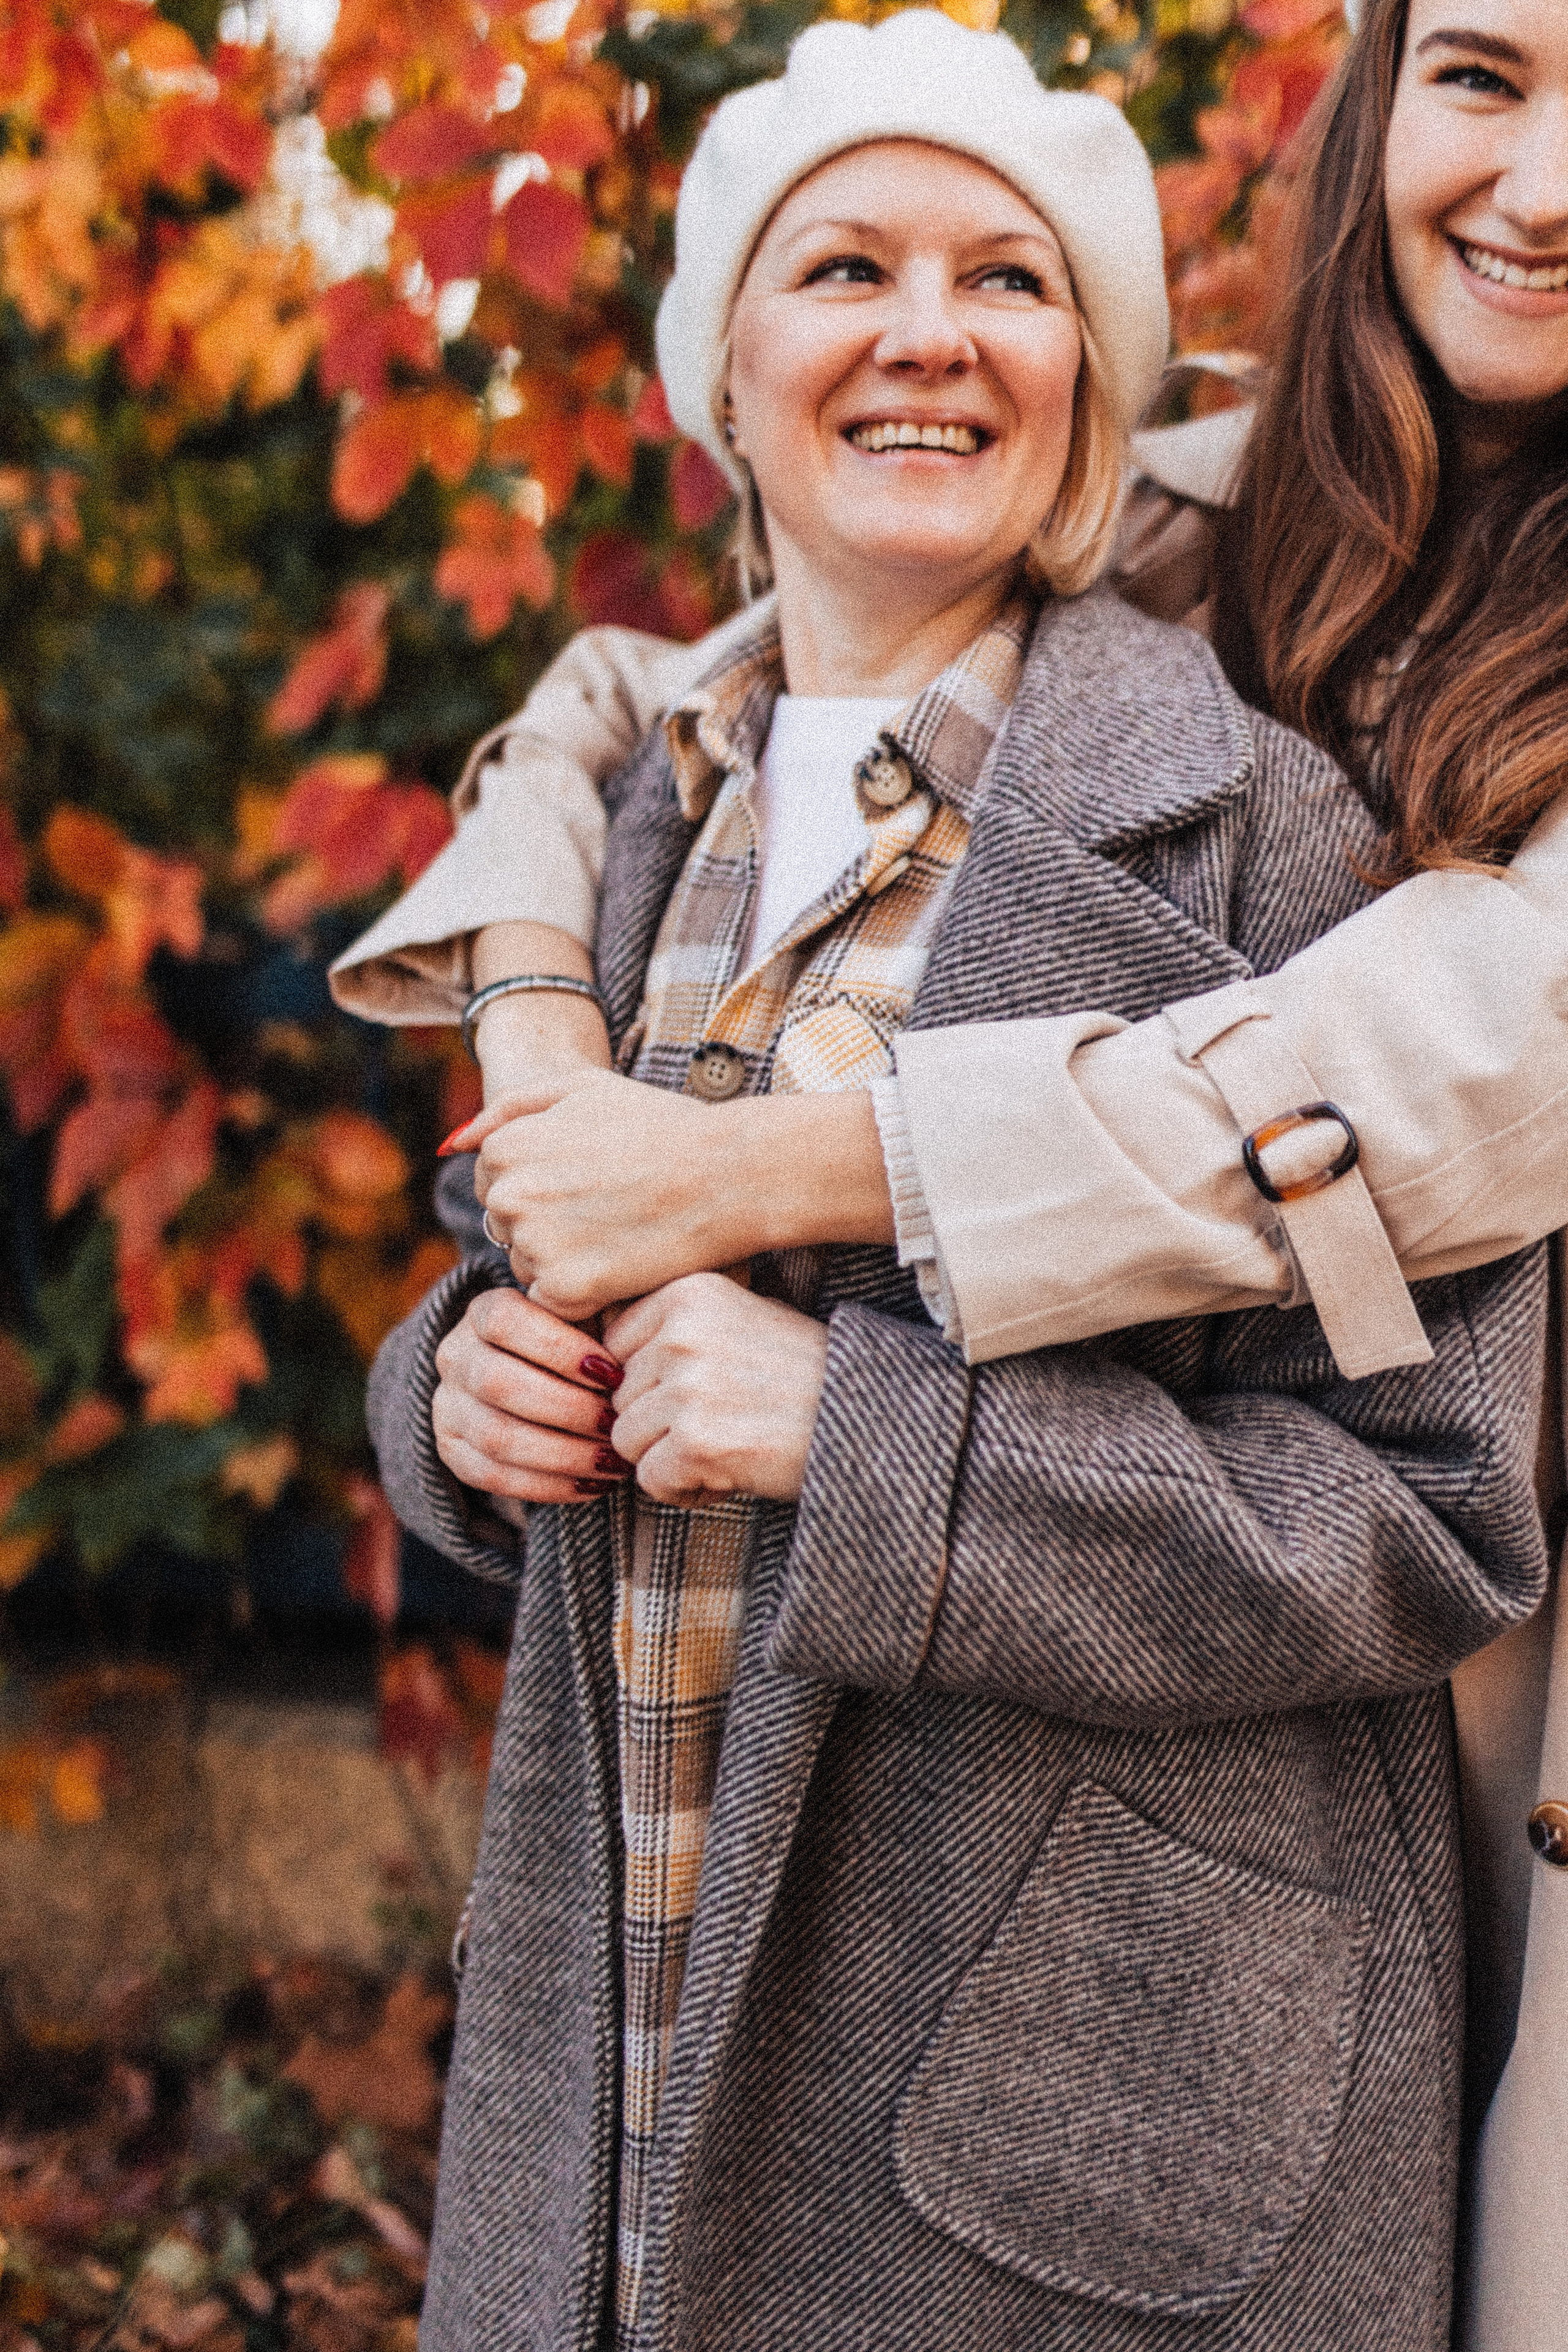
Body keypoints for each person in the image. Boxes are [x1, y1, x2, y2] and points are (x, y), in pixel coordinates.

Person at [338, 8, 1568, 2340]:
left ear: (1098, 399)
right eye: (842, 272)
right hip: (628, 2036)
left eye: (1012, 280)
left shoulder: (1275, 831)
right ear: (722, 374)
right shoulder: (647, 818)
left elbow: (1423, 1507)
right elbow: (541, 1253)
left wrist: (856, 1438)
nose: (928, 334)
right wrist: (460, 1405)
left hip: (1079, 2107)